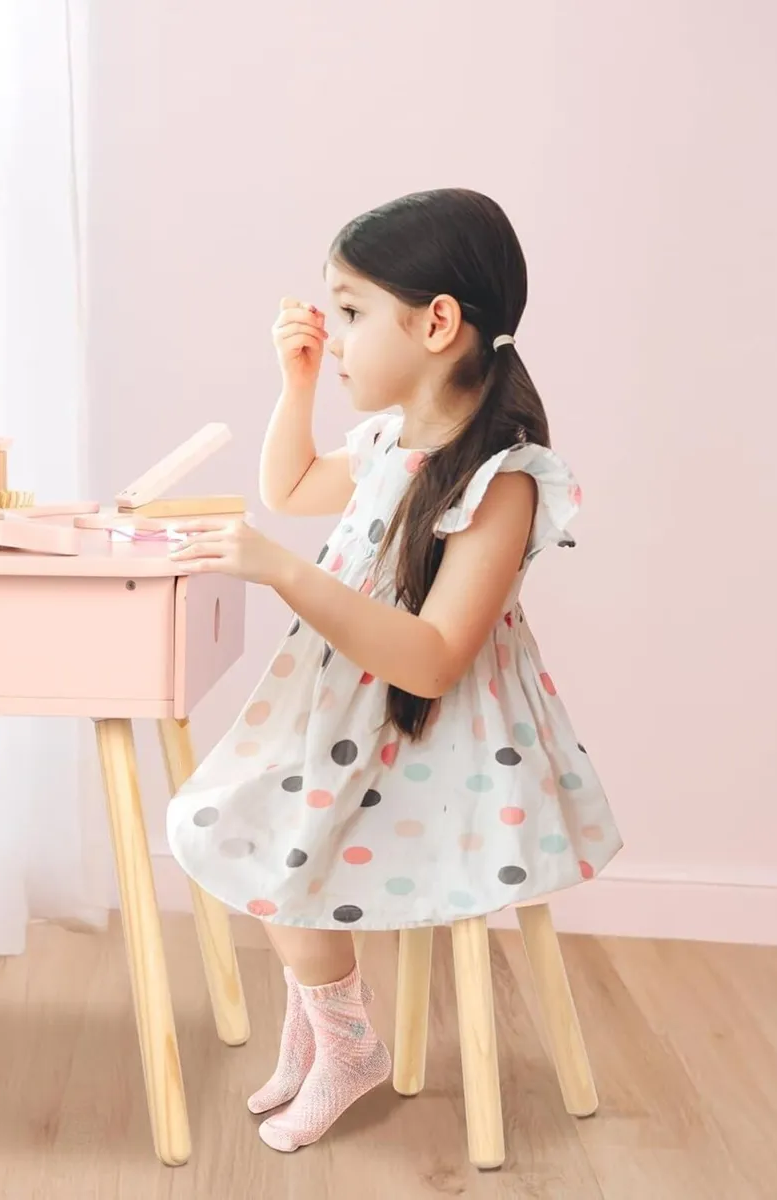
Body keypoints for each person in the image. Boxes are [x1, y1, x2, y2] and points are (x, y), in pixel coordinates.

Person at [165, 188, 622, 1153]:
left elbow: (435, 653)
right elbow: (287, 488)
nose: (334, 337)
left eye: (351, 311)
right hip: (355, 713)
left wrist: (279, 570)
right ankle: (321, 1026)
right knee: (249, 814)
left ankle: (343, 1038)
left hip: (437, 736)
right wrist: (293, 388)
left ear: (438, 322)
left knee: (265, 828)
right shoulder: (388, 440)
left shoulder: (503, 479)